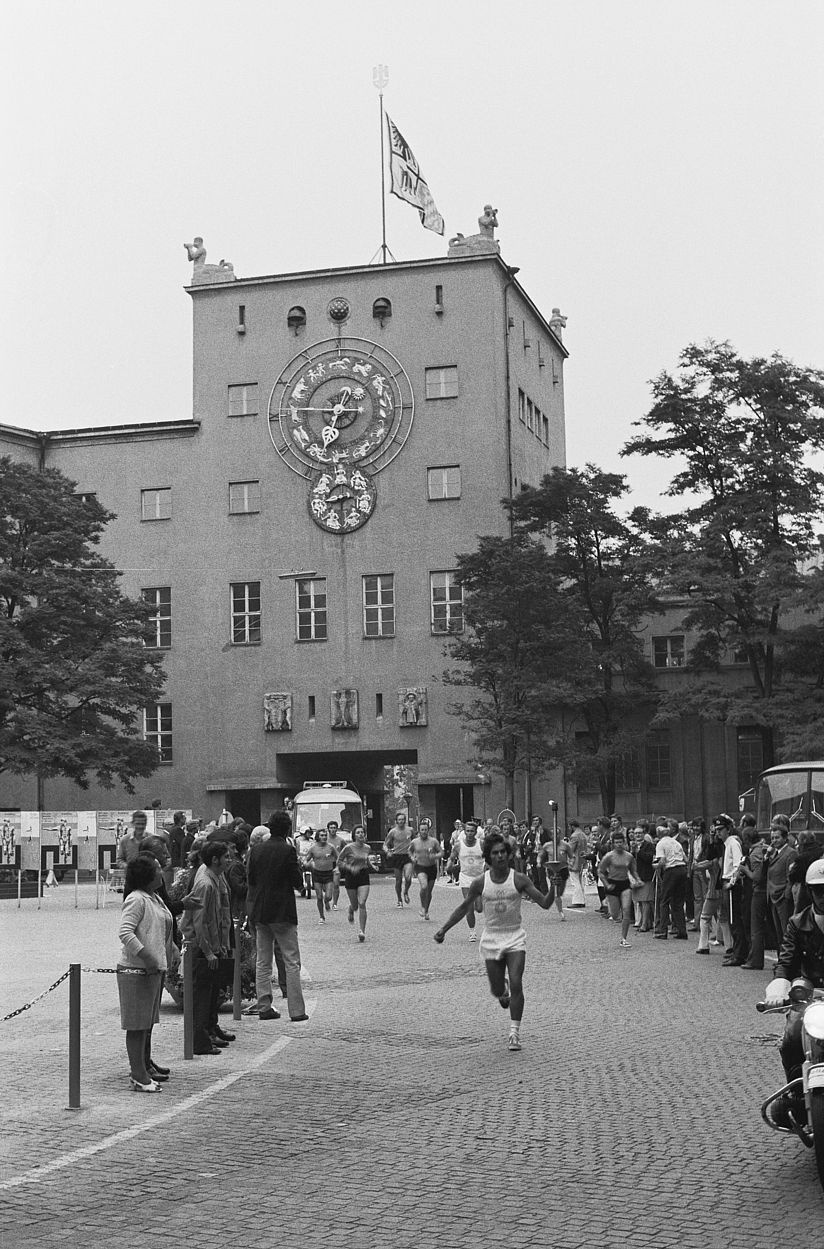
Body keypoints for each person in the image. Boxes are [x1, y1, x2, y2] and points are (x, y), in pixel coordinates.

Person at [434, 831, 553, 1051]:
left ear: (508, 854)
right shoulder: (481, 882)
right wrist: (444, 929)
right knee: (498, 989)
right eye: (494, 853)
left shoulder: (519, 879)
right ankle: (502, 989)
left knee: (517, 981)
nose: (499, 856)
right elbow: (464, 908)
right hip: (491, 938)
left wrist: (555, 885)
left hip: (515, 936)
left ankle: (514, 1032)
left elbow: (545, 903)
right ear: (488, 857)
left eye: (502, 852)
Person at [763, 858, 824, 1129]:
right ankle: (798, 1094)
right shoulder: (797, 923)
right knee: (791, 1037)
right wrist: (778, 988)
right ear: (810, 891)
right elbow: (785, 962)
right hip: (810, 994)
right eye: (819, 890)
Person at [117, 852, 176, 1091]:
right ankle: (138, 1075)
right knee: (137, 1025)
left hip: (153, 970)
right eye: (158, 867)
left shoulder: (154, 898)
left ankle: (143, 1069)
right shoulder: (137, 899)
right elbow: (125, 932)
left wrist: (171, 948)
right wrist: (148, 957)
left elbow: (161, 926)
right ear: (148, 874)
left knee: (146, 1024)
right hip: (136, 970)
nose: (162, 870)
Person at [246, 810, 308, 1022]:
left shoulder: (255, 851)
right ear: (287, 829)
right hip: (282, 911)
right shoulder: (288, 850)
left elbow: (251, 879)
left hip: (261, 911)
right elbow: (296, 880)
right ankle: (297, 1010)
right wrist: (302, 886)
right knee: (291, 960)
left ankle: (264, 1006)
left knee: (263, 960)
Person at [180, 840, 234, 1055]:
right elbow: (199, 921)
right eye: (226, 857)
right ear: (215, 859)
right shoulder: (206, 883)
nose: (229, 860)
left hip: (214, 943)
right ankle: (201, 1040)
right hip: (202, 946)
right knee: (202, 996)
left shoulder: (214, 876)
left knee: (211, 993)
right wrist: (209, 951)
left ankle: (209, 1031)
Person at [597, 829, 640, 947]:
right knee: (615, 915)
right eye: (617, 842)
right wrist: (606, 884)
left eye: (621, 842)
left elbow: (633, 870)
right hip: (612, 885)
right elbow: (600, 872)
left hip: (625, 884)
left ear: (624, 842)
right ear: (613, 844)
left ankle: (624, 938)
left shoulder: (629, 856)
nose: (619, 844)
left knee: (626, 910)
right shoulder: (609, 856)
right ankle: (609, 904)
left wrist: (638, 879)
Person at [446, 818, 485, 941]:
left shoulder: (481, 844)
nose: (469, 833)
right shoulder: (458, 845)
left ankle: (475, 905)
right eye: (467, 831)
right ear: (464, 831)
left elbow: (489, 856)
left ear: (475, 832)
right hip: (465, 877)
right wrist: (449, 864)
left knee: (479, 908)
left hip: (479, 878)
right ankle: (472, 932)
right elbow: (452, 857)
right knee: (468, 905)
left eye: (472, 831)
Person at [652, 821, 688, 940]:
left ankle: (662, 930)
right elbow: (686, 859)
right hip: (682, 869)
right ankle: (682, 930)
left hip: (671, 871)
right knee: (678, 902)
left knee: (664, 900)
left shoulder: (660, 844)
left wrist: (655, 866)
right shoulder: (676, 843)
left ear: (659, 834)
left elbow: (662, 861)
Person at [337, 824, 372, 942]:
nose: (361, 834)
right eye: (358, 832)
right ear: (354, 835)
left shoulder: (367, 847)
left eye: (362, 832)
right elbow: (339, 861)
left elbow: (366, 859)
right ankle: (351, 909)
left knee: (362, 902)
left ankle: (362, 931)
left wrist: (372, 866)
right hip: (351, 875)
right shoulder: (348, 848)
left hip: (363, 875)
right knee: (356, 905)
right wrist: (350, 868)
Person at [766, 824, 797, 951]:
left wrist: (786, 895)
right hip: (773, 896)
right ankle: (781, 960)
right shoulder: (774, 853)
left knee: (786, 931)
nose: (774, 841)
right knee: (778, 932)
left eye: (777, 838)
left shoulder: (790, 853)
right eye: (772, 838)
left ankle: (788, 963)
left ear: (785, 838)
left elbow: (790, 877)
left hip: (782, 898)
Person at [409, 818, 442, 920]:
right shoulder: (414, 842)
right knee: (424, 886)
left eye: (425, 830)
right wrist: (412, 857)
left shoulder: (433, 841)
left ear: (428, 831)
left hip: (431, 868)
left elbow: (441, 852)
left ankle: (426, 910)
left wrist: (435, 856)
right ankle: (422, 907)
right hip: (420, 867)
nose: (424, 832)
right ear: (419, 831)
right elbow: (410, 851)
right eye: (422, 830)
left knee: (429, 891)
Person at [538, 829, 571, 921]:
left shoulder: (565, 845)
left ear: (560, 834)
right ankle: (561, 912)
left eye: (557, 834)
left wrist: (572, 863)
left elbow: (572, 856)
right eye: (553, 834)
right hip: (552, 869)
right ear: (551, 835)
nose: (555, 836)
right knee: (556, 890)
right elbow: (540, 855)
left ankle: (555, 896)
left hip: (563, 869)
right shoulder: (547, 846)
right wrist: (539, 862)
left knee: (560, 891)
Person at [305, 827, 337, 923]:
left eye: (325, 835)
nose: (324, 837)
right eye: (322, 835)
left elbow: (338, 858)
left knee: (328, 896)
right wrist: (306, 863)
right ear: (318, 837)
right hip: (317, 874)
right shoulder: (313, 848)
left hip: (328, 874)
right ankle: (322, 916)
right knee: (319, 897)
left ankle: (327, 901)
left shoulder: (331, 847)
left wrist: (336, 865)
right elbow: (307, 859)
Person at [383, 811, 414, 907]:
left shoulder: (410, 830)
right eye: (399, 820)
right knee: (399, 880)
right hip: (397, 856)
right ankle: (399, 899)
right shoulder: (393, 832)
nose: (401, 821)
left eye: (403, 819)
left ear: (405, 821)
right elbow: (385, 844)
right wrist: (387, 851)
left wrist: (416, 851)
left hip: (407, 856)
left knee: (408, 878)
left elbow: (416, 840)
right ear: (396, 821)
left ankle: (406, 891)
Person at [566, 820, 589, 909]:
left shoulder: (574, 836)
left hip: (575, 861)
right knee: (580, 881)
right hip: (582, 860)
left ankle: (578, 901)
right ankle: (581, 900)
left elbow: (570, 849)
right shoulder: (582, 834)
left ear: (572, 826)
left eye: (569, 827)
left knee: (575, 882)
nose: (568, 828)